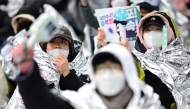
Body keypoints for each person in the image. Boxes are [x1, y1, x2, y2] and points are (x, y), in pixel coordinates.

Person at [11, 42, 164, 109]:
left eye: (114, 66)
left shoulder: (149, 103)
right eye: (101, 68)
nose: (107, 73)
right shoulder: (82, 102)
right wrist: (28, 73)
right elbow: (43, 105)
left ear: (127, 71)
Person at [96, 11, 179, 109]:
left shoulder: (181, 60)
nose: (152, 34)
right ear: (141, 34)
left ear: (167, 32)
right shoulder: (137, 60)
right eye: (147, 30)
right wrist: (109, 48)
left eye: (158, 29)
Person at [5, 25, 91, 109]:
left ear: (70, 47)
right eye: (52, 41)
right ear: (45, 46)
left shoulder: (80, 65)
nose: (57, 46)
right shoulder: (35, 65)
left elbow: (85, 99)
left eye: (62, 42)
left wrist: (67, 73)